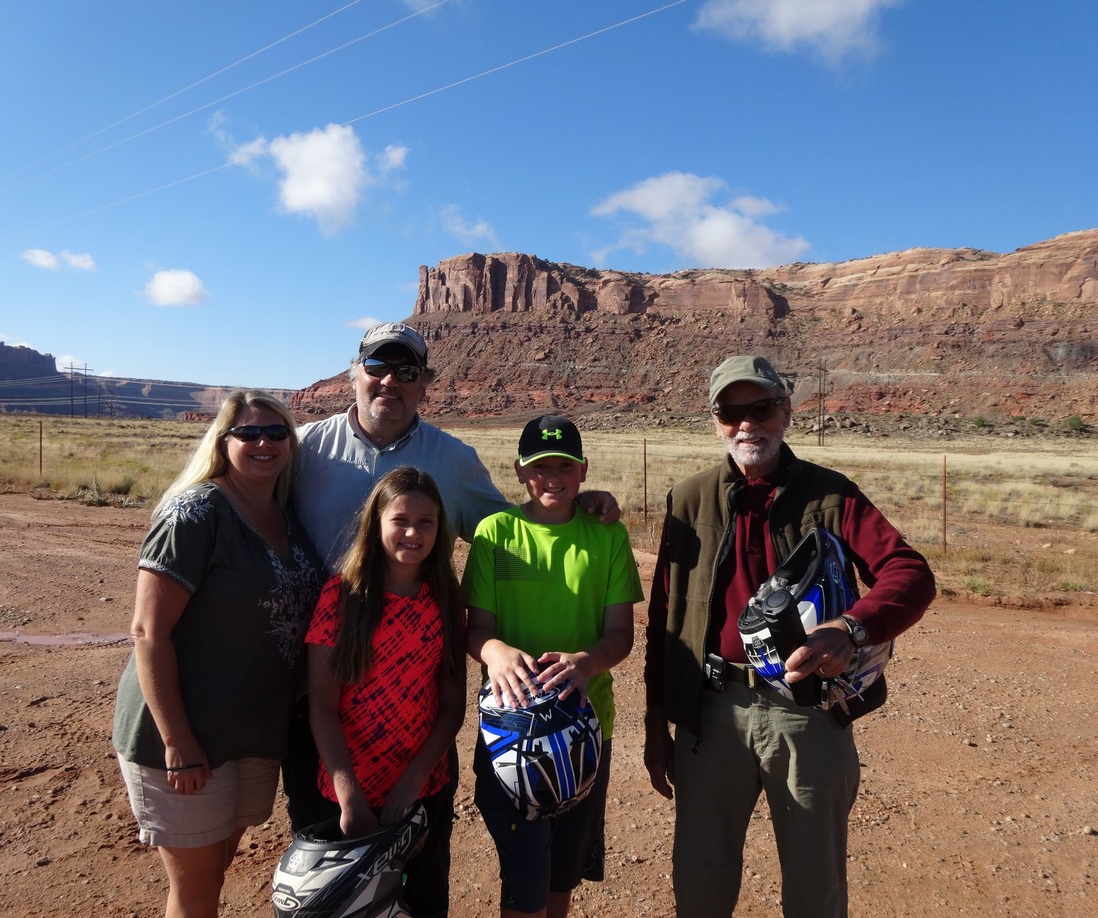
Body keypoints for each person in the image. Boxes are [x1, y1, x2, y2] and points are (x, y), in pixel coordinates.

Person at [285, 321, 622, 835]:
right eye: (377, 366)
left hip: (415, 689)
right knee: (331, 862)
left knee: (420, 865)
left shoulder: (454, 460)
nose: (390, 381)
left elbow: (515, 526)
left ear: (424, 383)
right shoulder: (301, 448)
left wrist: (582, 503)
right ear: (354, 373)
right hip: (320, 677)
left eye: (407, 371)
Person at [642, 355, 936, 918]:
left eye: (762, 408)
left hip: (808, 712)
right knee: (699, 882)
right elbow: (663, 619)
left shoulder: (831, 495)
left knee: (814, 885)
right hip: (711, 712)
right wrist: (659, 722)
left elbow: (909, 572)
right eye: (732, 411)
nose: (747, 423)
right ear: (715, 420)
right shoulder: (689, 499)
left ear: (787, 412)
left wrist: (852, 628)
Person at [112, 390, 324, 918]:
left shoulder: (286, 513)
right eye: (248, 433)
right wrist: (178, 742)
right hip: (186, 732)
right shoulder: (195, 512)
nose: (263, 442)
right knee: (196, 886)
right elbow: (148, 632)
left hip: (251, 730)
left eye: (277, 433)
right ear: (222, 440)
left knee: (219, 864)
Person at [464, 415, 642, 918]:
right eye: (539, 466)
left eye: (564, 464)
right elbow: (476, 629)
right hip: (509, 734)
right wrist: (494, 651)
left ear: (583, 471)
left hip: (584, 731)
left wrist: (586, 664)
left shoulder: (607, 537)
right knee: (523, 880)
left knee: (561, 876)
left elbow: (620, 635)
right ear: (520, 471)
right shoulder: (495, 533)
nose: (552, 476)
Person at [305, 467, 465, 918]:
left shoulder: (445, 599)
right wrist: (349, 796)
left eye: (426, 521)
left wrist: (415, 779)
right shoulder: (341, 597)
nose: (413, 532)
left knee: (423, 899)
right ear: (375, 523)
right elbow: (322, 707)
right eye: (400, 520)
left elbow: (452, 706)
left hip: (422, 789)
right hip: (348, 793)